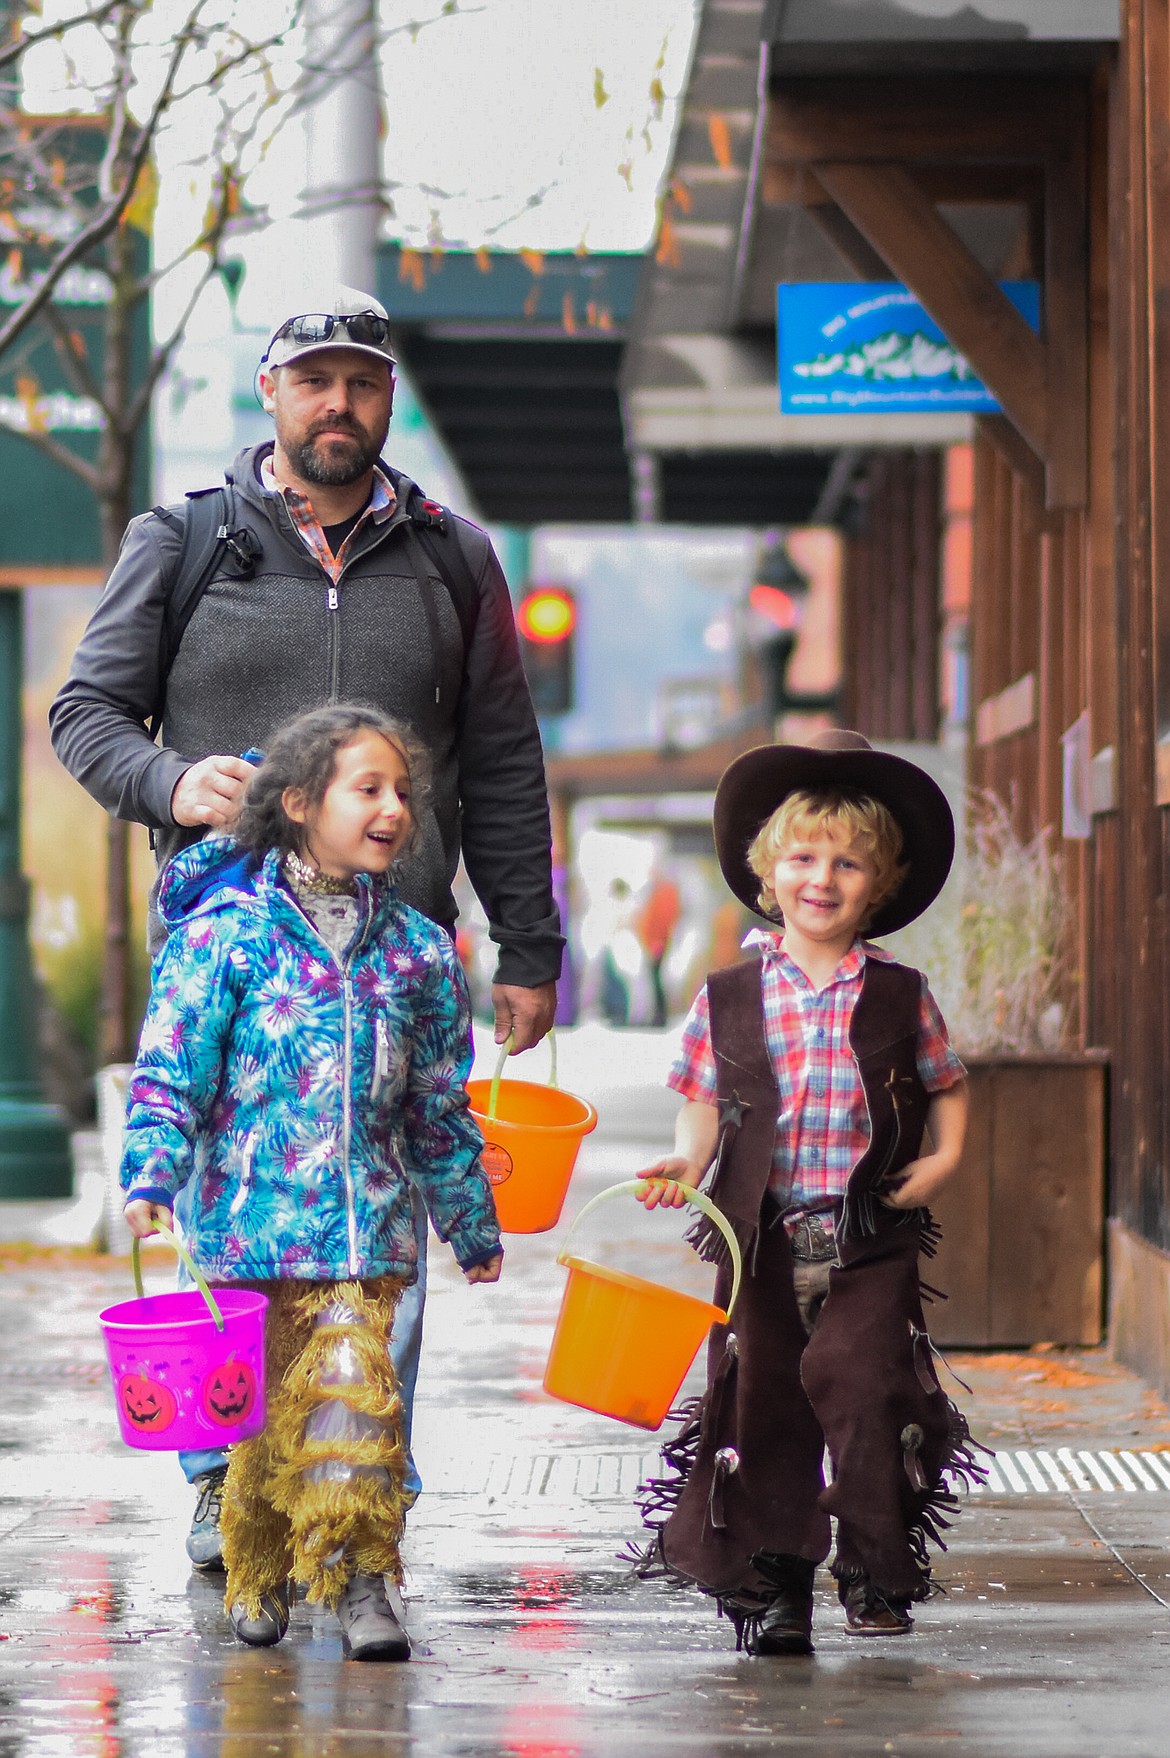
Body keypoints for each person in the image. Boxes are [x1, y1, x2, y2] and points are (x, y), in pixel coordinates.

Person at [49, 284, 561, 1567]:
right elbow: (87, 714)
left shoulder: (452, 557)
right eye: (315, 379)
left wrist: (528, 942)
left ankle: (356, 1490)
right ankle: (225, 1472)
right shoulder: (183, 539)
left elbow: (501, 755)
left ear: (388, 400)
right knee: (235, 1227)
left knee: (377, 1225)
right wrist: (169, 784)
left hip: (394, 956)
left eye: (364, 383)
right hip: (231, 955)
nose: (341, 404)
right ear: (271, 393)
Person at [120, 703, 503, 1659]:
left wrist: (469, 1220)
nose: (393, 810)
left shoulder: (417, 952)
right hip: (247, 1235)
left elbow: (439, 1105)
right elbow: (173, 1070)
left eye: (403, 793)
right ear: (297, 804)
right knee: (254, 1431)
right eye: (367, 789)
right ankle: (257, 1570)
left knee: (356, 1405)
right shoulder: (223, 937)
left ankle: (366, 1578)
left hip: (364, 1236)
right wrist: (152, 1176)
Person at [628, 730, 981, 1656]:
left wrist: (941, 1164)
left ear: (882, 884)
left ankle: (872, 1561)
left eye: (849, 864)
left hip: (868, 1234)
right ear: (766, 869)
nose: (822, 879)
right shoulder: (729, 993)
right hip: (765, 1235)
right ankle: (776, 1582)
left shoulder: (901, 994)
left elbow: (949, 1084)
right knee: (767, 1402)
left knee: (864, 1388)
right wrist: (685, 1161)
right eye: (802, 857)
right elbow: (704, 1102)